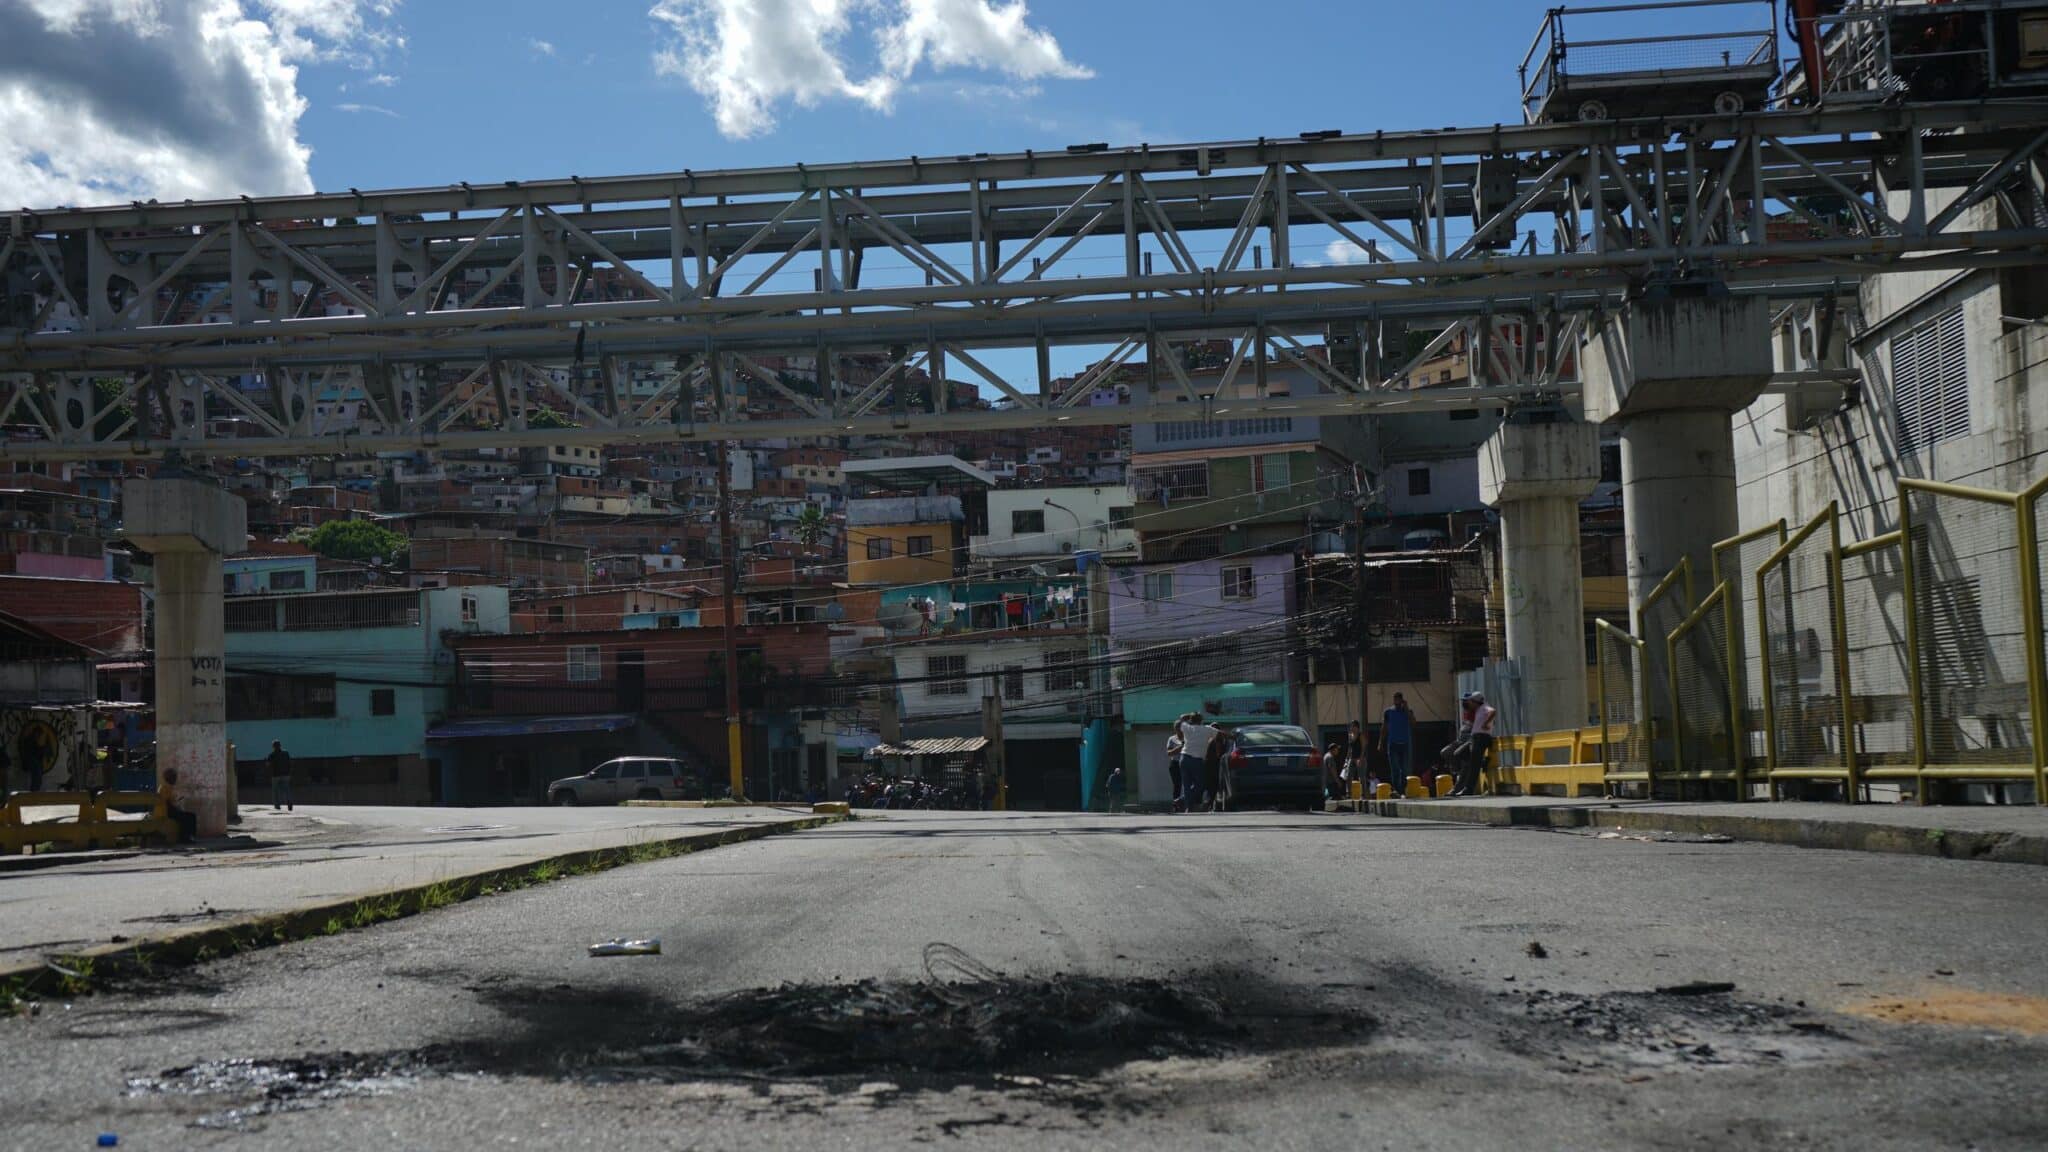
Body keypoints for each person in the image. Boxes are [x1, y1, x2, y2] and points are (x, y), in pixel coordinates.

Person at [1460, 692, 1498, 797]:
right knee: (1462, 755)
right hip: (1475, 737)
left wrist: (1486, 723)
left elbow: (1493, 712)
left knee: (1474, 765)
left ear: (1475, 702)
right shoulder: (1478, 710)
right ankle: (1483, 762)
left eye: (1471, 701)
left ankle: (1468, 789)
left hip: (1481, 737)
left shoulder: (1484, 707)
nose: (1469, 704)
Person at [1178, 713, 1218, 811]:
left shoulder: (1187, 727)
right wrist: (1232, 737)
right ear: (1201, 720)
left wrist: (1189, 716)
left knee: (1186, 784)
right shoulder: (1207, 729)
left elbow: (1181, 717)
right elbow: (1220, 733)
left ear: (1191, 720)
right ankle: (1183, 800)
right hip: (1197, 760)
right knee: (1201, 784)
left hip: (1184, 758)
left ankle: (1187, 806)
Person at [1380, 694, 1414, 796]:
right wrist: (1380, 742)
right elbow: (1384, 728)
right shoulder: (1388, 712)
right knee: (1395, 768)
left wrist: (1407, 708)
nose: (1398, 701)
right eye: (1396, 699)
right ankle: (1396, 789)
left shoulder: (1407, 712)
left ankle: (1403, 789)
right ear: (1394, 700)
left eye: (1400, 699)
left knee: (1404, 769)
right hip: (1392, 744)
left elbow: (1413, 723)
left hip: (1405, 744)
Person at [160, 766, 197, 844]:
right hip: (166, 811)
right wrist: (177, 807)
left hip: (167, 810)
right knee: (188, 817)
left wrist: (177, 801)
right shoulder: (167, 787)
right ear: (171, 778)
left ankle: (188, 836)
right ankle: (185, 837)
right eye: (174, 777)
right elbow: (168, 803)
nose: (176, 779)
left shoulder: (165, 786)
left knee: (188, 816)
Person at [266, 740, 294, 811]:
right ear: (280, 745)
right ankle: (289, 801)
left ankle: (277, 805)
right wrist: (290, 772)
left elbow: (267, 765)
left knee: (275, 791)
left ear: (273, 747)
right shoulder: (286, 753)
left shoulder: (271, 755)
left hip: (275, 775)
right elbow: (289, 763)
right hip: (286, 774)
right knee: (287, 789)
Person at [1164, 729, 1184, 812]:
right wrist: (1180, 747)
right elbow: (1169, 753)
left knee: (1189, 784)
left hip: (1186, 763)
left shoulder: (1188, 738)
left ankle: (1188, 803)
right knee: (1177, 785)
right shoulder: (1172, 739)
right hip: (1175, 763)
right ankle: (1176, 805)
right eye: (1178, 728)